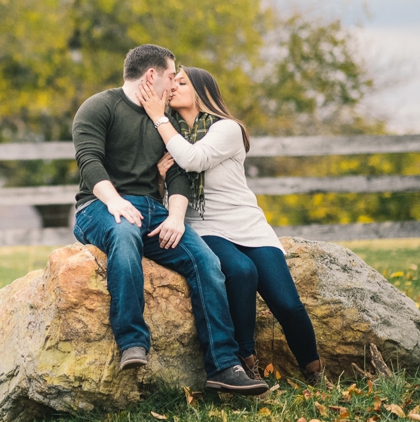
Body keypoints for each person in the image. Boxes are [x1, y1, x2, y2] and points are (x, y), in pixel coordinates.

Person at [72, 44, 268, 395]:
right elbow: (89, 162)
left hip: (153, 209)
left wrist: (176, 218)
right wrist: (115, 202)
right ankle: (133, 342)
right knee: (124, 236)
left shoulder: (166, 120)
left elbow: (177, 176)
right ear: (151, 76)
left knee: (206, 260)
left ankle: (224, 365)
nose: (173, 85)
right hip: (99, 206)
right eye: (169, 76)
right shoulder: (99, 107)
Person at [135, 66, 324, 384]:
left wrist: (159, 119)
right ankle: (245, 360)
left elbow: (194, 159)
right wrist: (161, 174)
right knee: (240, 270)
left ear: (201, 92)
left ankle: (315, 372)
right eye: (173, 82)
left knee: (287, 304)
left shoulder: (226, 129)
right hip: (205, 226)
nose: (173, 87)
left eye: (182, 82)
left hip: (247, 224)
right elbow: (158, 176)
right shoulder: (168, 134)